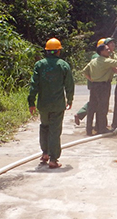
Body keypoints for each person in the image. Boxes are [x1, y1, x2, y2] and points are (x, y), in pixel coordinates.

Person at [28, 37, 74, 169]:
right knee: (55, 130)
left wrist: (31, 102)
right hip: (58, 105)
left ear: (47, 51)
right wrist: (70, 99)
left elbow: (33, 85)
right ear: (59, 51)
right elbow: (69, 84)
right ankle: (53, 159)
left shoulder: (40, 65)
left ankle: (45, 154)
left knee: (44, 127)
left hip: (43, 104)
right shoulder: (63, 65)